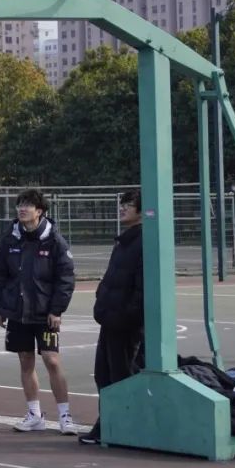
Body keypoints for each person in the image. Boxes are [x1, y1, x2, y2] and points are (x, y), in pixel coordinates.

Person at [0, 189, 80, 435]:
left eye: (27, 205)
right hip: (18, 312)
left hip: (44, 313)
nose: (22, 209)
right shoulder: (9, 239)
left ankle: (65, 416)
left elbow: (65, 278)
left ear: (39, 211)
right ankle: (34, 414)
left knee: (51, 359)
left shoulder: (54, 241)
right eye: (20, 204)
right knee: (25, 360)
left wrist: (57, 309)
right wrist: (0, 306)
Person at [81, 190, 145, 445]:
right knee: (104, 375)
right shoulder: (123, 242)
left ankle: (123, 427)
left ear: (142, 210)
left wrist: (126, 316)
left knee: (121, 376)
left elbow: (141, 290)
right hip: (111, 320)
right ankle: (108, 423)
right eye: (122, 203)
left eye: (128, 204)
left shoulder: (143, 243)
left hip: (125, 325)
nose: (122, 208)